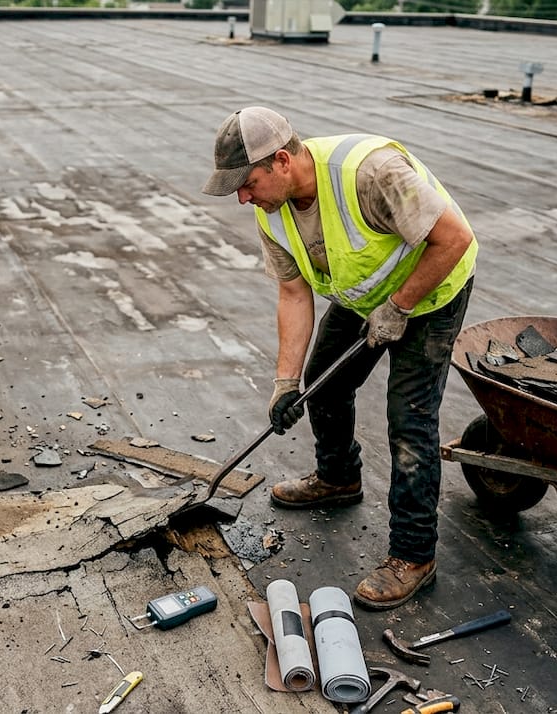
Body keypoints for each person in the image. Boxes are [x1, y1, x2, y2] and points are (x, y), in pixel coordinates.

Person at [202, 107, 477, 610]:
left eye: (247, 183)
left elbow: (454, 239)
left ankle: (414, 556)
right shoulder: (274, 210)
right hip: (365, 297)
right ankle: (338, 477)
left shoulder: (368, 173)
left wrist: (401, 306)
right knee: (322, 385)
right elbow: (293, 292)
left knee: (409, 421)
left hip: (432, 292)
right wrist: (285, 382)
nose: (243, 197)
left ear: (281, 161)